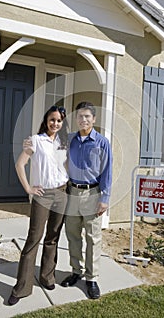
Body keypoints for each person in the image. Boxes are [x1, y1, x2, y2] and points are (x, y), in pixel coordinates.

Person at [8, 105, 69, 305]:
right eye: (52, 119)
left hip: (61, 193)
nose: (55, 123)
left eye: (59, 120)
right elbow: (20, 164)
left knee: (53, 237)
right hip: (42, 195)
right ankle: (21, 288)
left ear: (62, 122)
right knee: (34, 238)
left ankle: (47, 277)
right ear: (46, 120)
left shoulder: (63, 142)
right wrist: (28, 188)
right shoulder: (35, 140)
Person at [61, 101, 112, 299]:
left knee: (93, 237)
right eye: (80, 116)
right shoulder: (70, 139)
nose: (83, 120)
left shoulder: (101, 142)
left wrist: (105, 199)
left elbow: (107, 172)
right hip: (72, 192)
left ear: (94, 119)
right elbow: (50, 147)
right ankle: (76, 271)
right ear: (76, 119)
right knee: (73, 235)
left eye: (87, 116)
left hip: (93, 194)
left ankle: (91, 278)